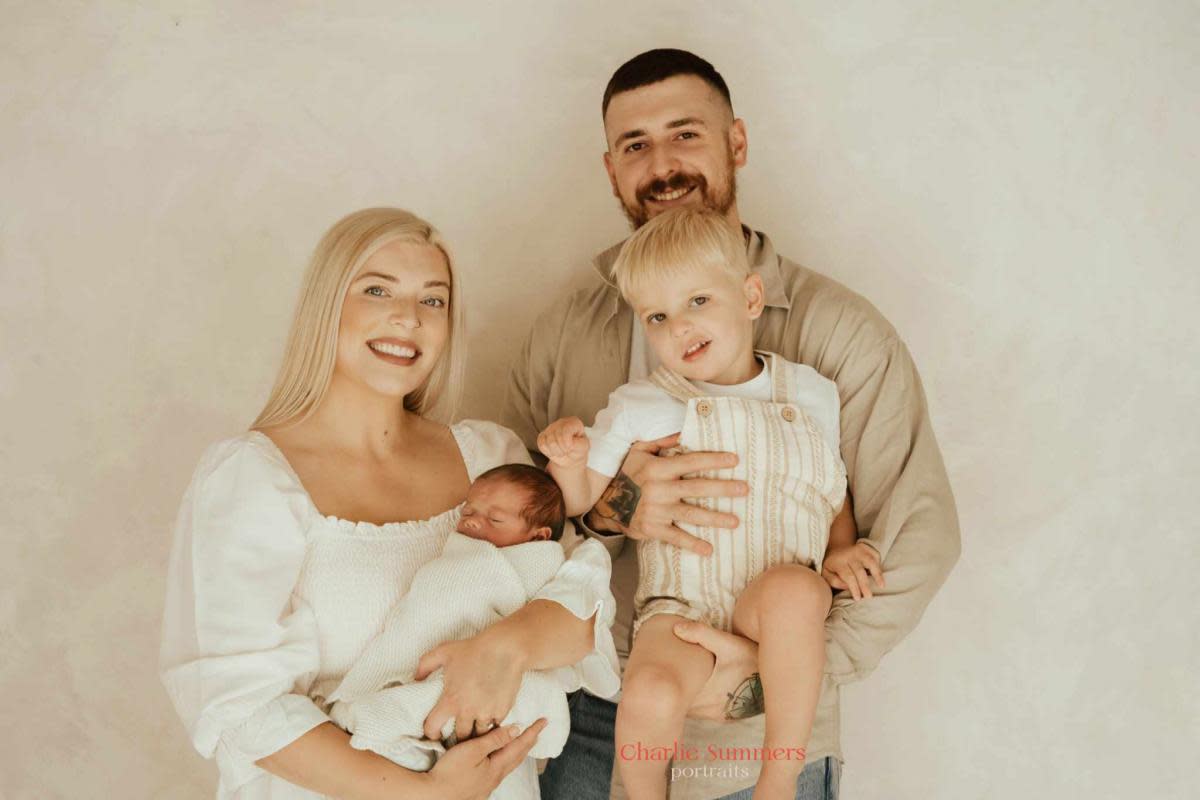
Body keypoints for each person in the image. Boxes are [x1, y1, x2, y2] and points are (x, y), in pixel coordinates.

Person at [502, 49, 961, 800]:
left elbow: (920, 535)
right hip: (591, 713)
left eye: (687, 134)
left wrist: (766, 671)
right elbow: (511, 525)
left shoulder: (839, 335)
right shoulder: (563, 333)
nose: (664, 165)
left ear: (736, 144)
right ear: (612, 169)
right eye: (636, 145)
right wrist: (619, 506)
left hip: (765, 729)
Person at [160, 208, 621, 799]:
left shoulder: (488, 457)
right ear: (327, 307)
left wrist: (504, 647)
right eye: (377, 290)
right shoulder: (249, 478)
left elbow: (584, 607)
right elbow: (236, 701)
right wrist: (427, 795)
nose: (408, 318)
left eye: (433, 300)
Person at [538, 208, 884, 800]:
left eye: (698, 300)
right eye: (658, 315)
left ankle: (777, 781)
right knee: (648, 692)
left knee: (798, 593)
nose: (680, 326)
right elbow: (581, 502)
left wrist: (844, 545)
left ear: (751, 296)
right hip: (681, 602)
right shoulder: (641, 403)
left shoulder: (810, 392)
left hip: (771, 599)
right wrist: (567, 461)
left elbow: (830, 483)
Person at [326, 464, 581, 800]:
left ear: (539, 537)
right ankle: (397, 722)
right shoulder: (457, 553)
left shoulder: (542, 564)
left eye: (495, 519)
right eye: (470, 510)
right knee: (441, 687)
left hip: (492, 672)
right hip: (444, 658)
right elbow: (431, 603)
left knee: (503, 692)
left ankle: (389, 721)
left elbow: (568, 614)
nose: (474, 521)